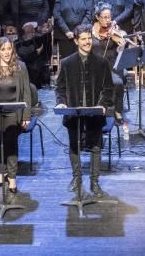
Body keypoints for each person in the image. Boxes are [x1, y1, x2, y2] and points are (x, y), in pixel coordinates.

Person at [54, 29, 114, 197]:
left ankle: (94, 183)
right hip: (74, 113)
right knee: (74, 146)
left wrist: (103, 105)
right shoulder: (67, 63)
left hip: (94, 113)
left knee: (95, 147)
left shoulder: (102, 63)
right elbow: (60, 88)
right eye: (83, 39)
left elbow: (109, 89)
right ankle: (77, 178)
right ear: (76, 41)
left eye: (89, 38)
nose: (87, 42)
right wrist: (61, 103)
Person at [0, 37, 33, 194]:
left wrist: (26, 115)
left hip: (15, 112)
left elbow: (27, 93)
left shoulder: (20, 67)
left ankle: (12, 177)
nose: (7, 52)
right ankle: (2, 173)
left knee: (11, 143)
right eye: (3, 49)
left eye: (9, 48)